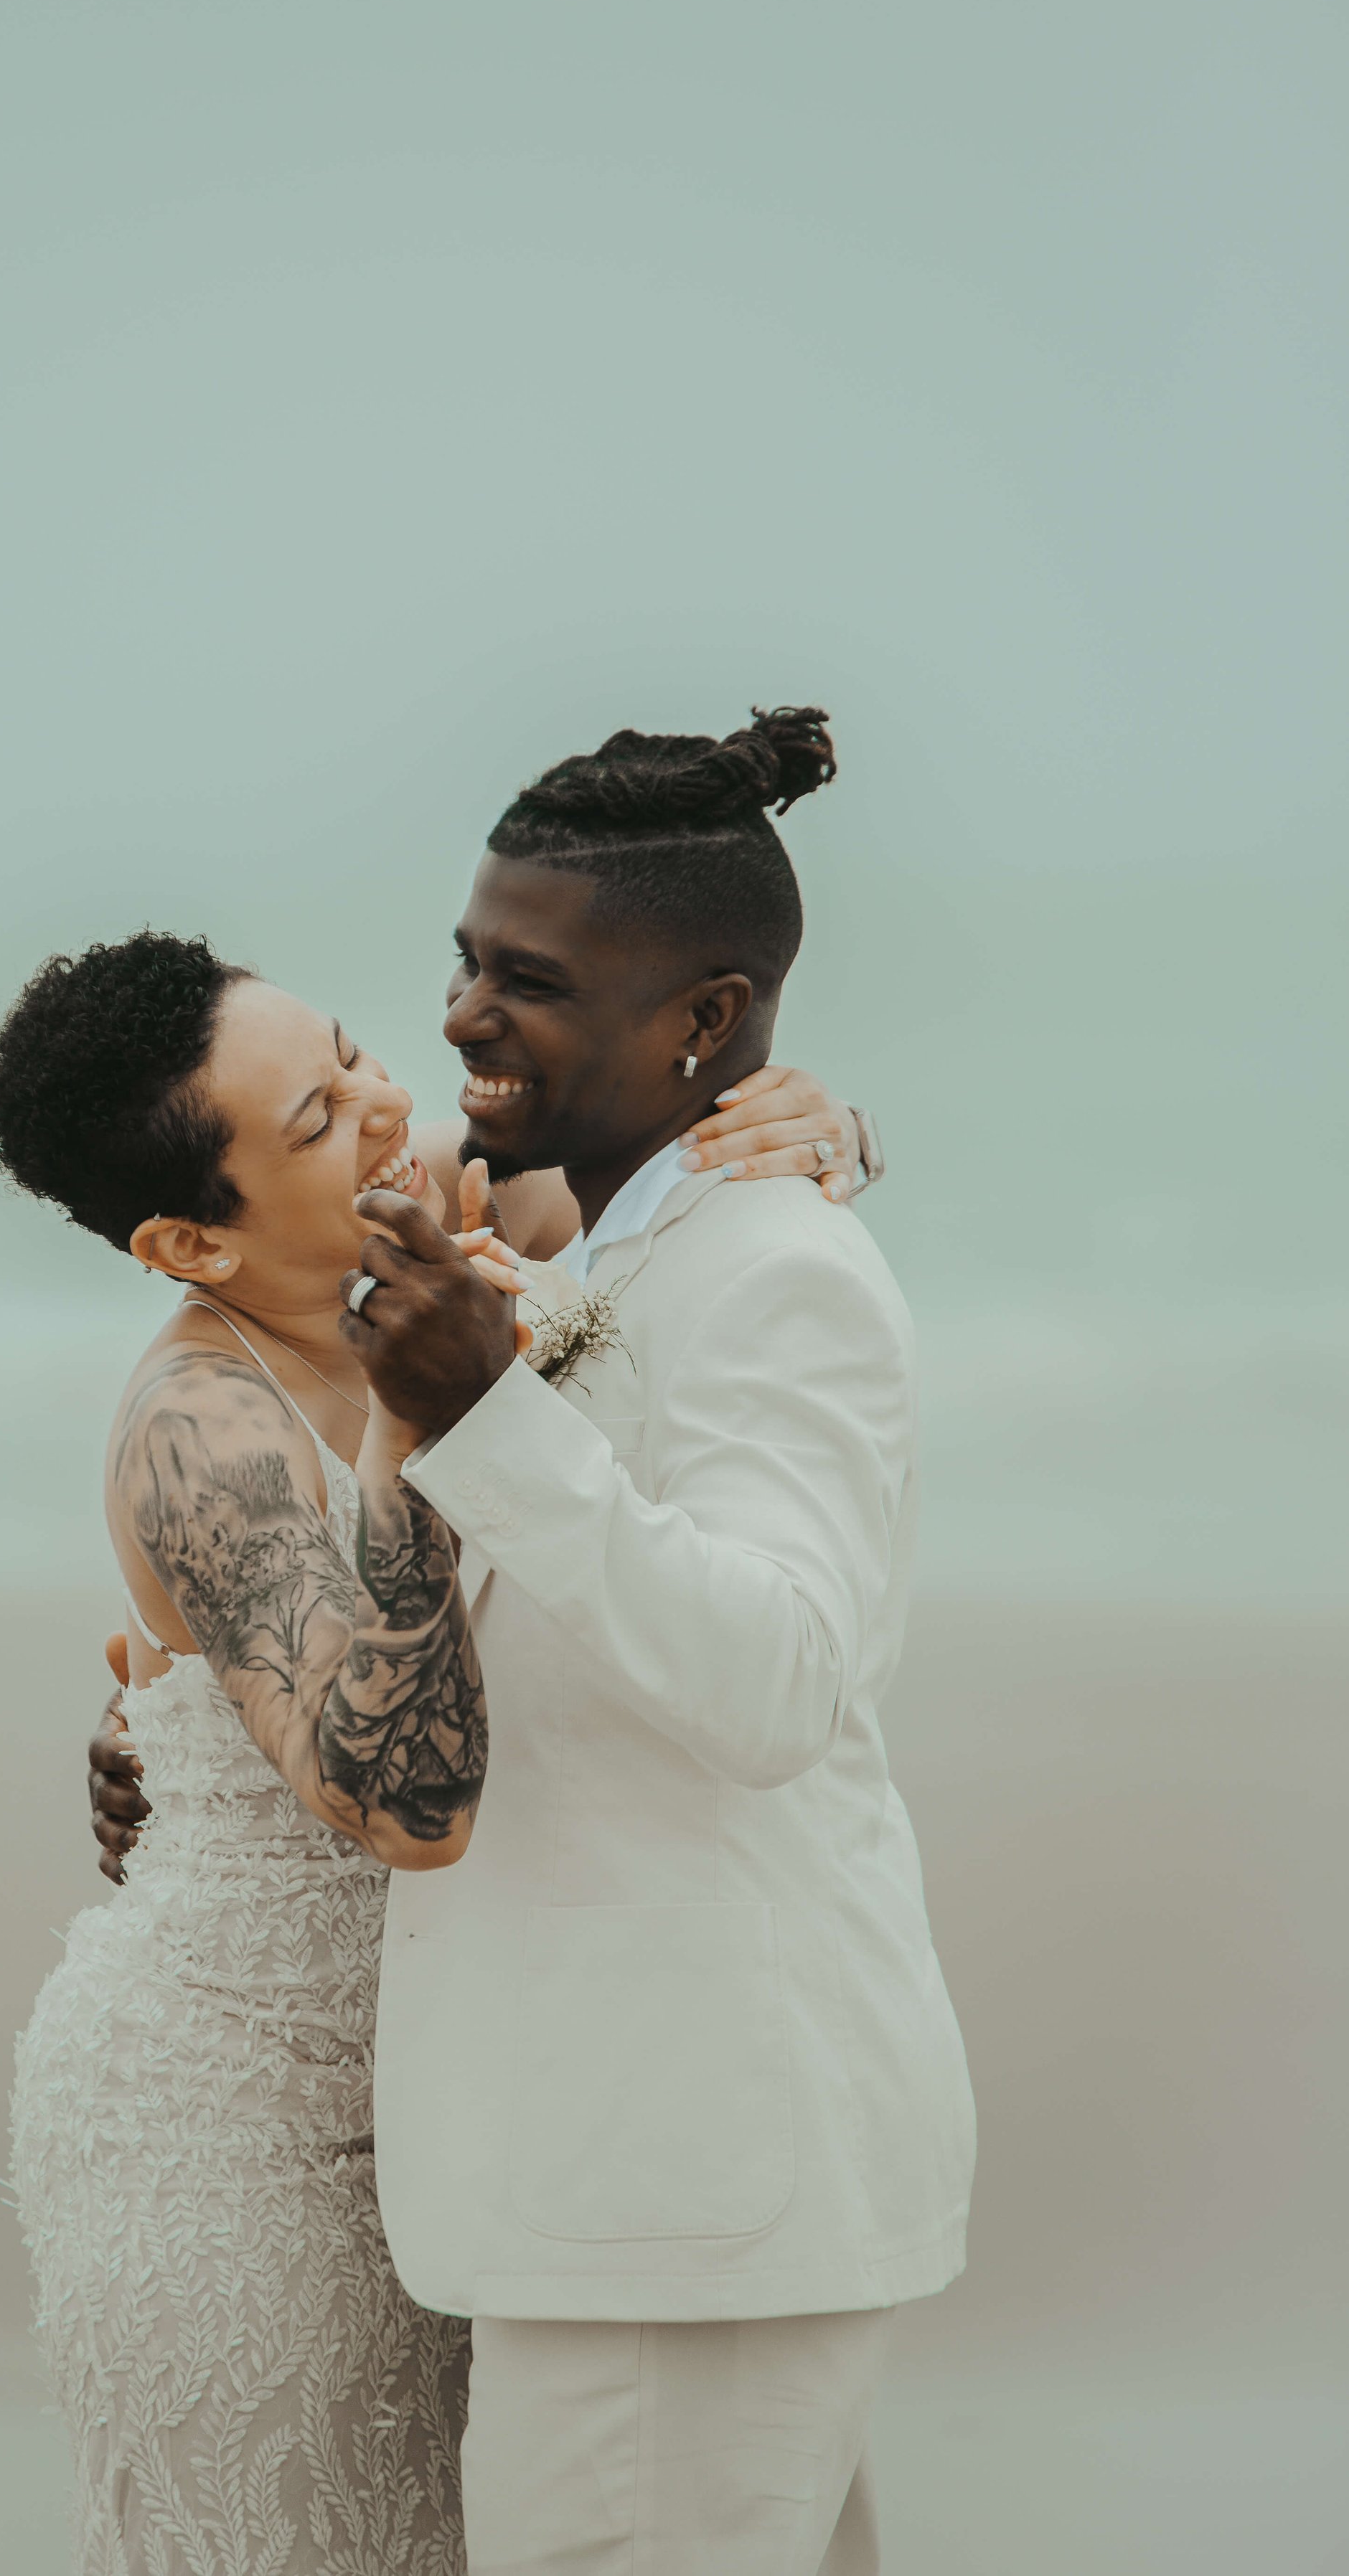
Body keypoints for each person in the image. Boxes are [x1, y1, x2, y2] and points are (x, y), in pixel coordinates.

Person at [0, 913, 864, 2576]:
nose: (386, 1110)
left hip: (499, 2099)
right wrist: (418, 1421)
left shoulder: (462, 1209)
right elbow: (407, 1799)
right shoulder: (199, 1429)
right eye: (313, 1125)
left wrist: (819, 1131)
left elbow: (685, 1187)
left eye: (346, 1055)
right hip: (234, 2133)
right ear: (188, 1244)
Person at [329, 707, 976, 2575]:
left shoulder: (776, 1265)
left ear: (700, 1019)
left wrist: (489, 1421)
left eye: (525, 979)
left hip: (680, 2193)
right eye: (464, 957)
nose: (460, 1013)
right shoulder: (602, 1245)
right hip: (631, 2179)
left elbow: (780, 1677)